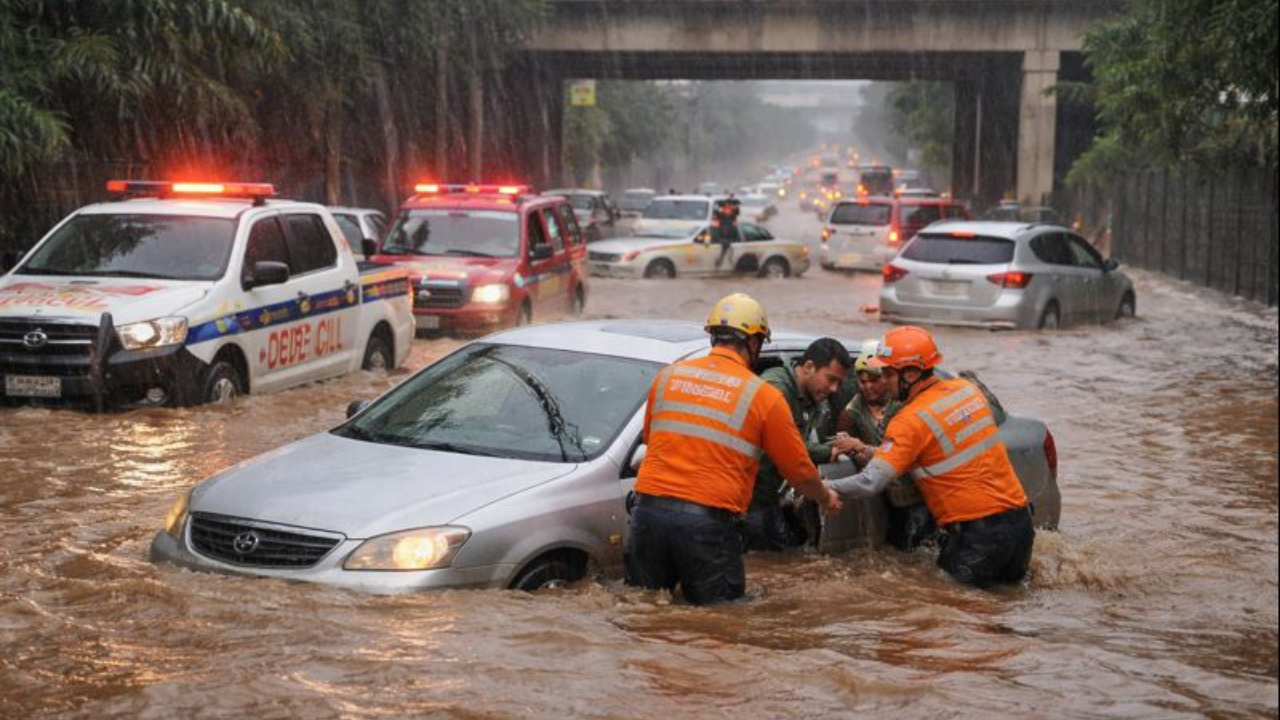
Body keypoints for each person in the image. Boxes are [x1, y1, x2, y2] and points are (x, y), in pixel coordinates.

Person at [625, 293, 842, 605]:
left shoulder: (667, 377)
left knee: (643, 613)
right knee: (721, 627)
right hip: (707, 526)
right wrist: (825, 497)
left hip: (647, 517)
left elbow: (652, 439)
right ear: (754, 343)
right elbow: (798, 471)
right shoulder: (763, 396)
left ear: (713, 335)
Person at [825, 326, 1034, 587]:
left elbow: (870, 482)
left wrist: (822, 487)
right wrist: (867, 450)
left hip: (978, 537)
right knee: (1008, 610)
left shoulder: (909, 421)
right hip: (1021, 526)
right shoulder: (966, 391)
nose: (884, 380)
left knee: (959, 618)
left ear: (911, 373)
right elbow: (934, 449)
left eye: (888, 373)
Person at [745, 337, 858, 551]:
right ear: (808, 367)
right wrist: (829, 453)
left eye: (839, 383)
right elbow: (791, 449)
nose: (834, 389)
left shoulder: (811, 397)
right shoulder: (776, 390)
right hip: (749, 498)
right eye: (831, 379)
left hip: (766, 496)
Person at [837, 342, 934, 551]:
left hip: (918, 497)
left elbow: (899, 455)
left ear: (890, 377)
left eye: (874, 379)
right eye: (862, 381)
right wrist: (854, 450)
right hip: (887, 499)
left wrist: (862, 448)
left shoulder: (906, 407)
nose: (867, 386)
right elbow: (854, 458)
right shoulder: (852, 412)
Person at [711, 197, 740, 269]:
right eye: (727, 205)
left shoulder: (733, 213)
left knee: (727, 248)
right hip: (722, 233)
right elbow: (715, 219)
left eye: (730, 205)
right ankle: (722, 261)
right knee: (724, 248)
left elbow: (736, 216)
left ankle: (726, 262)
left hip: (729, 233)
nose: (729, 207)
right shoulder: (721, 213)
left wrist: (736, 207)